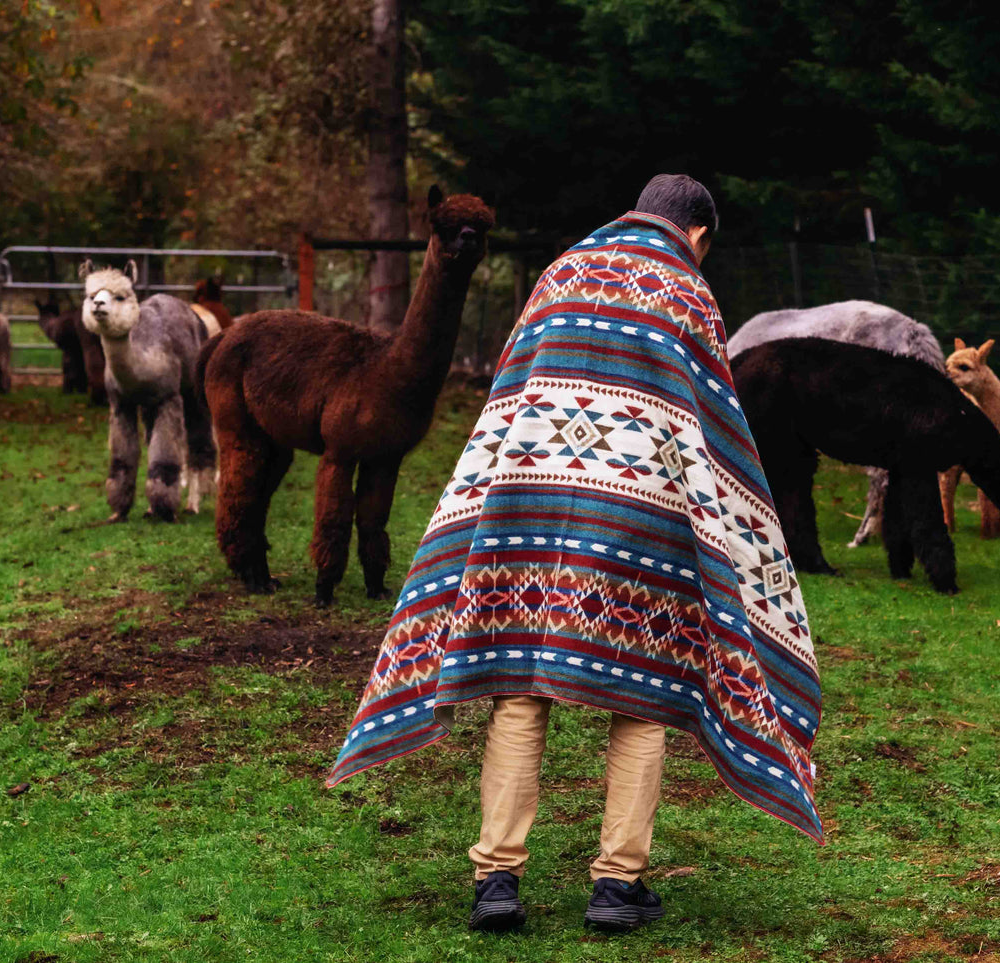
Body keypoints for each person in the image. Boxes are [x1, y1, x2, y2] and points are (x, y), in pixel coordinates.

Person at [327, 174, 823, 933]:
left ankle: (497, 879)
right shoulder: (686, 291)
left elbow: (510, 395)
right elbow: (714, 429)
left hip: (528, 506)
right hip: (642, 527)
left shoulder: (562, 269)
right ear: (698, 235)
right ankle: (615, 886)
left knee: (520, 688)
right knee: (644, 697)